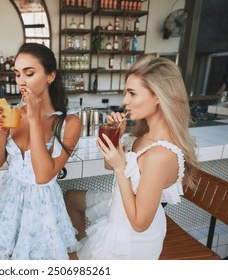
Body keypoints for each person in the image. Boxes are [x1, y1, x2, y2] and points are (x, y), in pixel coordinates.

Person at [65, 55, 200, 260]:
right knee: (71, 197)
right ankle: (84, 251)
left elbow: (139, 224)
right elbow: (110, 166)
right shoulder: (143, 135)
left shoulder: (161, 155)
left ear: (158, 96)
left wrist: (120, 167)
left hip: (132, 242)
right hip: (121, 214)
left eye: (132, 93)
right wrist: (116, 140)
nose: (124, 101)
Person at [0, 43, 82, 260]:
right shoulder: (14, 113)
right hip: (9, 200)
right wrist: (2, 132)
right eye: (17, 74)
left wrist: (34, 119)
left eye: (29, 73)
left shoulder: (68, 123)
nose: (21, 81)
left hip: (42, 206)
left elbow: (43, 176)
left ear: (50, 76)